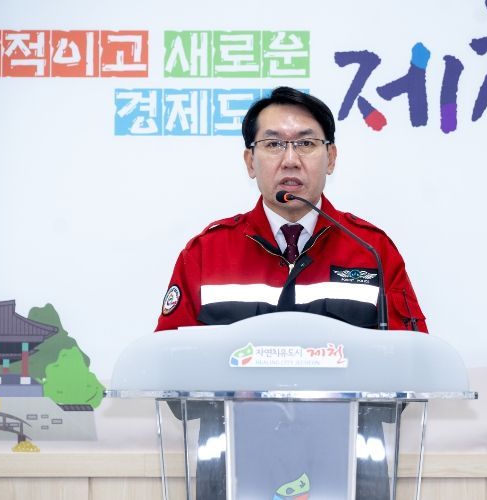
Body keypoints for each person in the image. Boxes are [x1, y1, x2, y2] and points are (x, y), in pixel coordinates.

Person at [155, 86, 428, 499]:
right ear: (250, 161)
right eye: (273, 144)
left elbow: (411, 365)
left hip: (349, 473)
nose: (290, 159)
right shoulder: (207, 253)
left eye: (306, 143)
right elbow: (170, 374)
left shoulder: (371, 250)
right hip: (235, 473)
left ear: (330, 157)